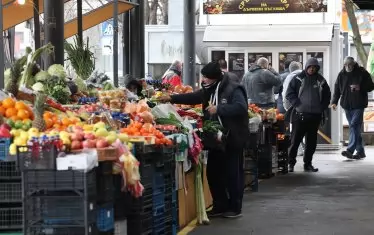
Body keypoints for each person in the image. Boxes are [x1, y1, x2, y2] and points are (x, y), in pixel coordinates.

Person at [159, 62, 249, 218]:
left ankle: (235, 207)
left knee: (232, 173)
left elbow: (241, 108)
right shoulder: (210, 88)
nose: (203, 80)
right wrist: (172, 98)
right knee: (213, 172)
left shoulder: (234, 88)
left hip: (233, 137)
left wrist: (219, 108)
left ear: (215, 78)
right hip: (216, 138)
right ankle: (220, 205)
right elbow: (196, 96)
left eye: (206, 78)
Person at [285, 57, 331, 172]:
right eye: (310, 67)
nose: (312, 69)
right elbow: (289, 93)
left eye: (314, 67)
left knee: (311, 142)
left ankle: (308, 164)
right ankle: (291, 163)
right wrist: (297, 104)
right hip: (299, 115)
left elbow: (327, 96)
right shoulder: (298, 79)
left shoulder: (321, 80)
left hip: (314, 116)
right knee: (295, 141)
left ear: (317, 68)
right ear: (306, 67)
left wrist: (322, 107)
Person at [331, 56, 374, 159]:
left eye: (350, 65)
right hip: (346, 105)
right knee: (355, 128)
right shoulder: (341, 74)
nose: (348, 66)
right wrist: (334, 102)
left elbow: (371, 86)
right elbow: (337, 88)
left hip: (359, 104)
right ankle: (360, 152)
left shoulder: (362, 73)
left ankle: (350, 150)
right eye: (346, 65)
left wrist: (360, 87)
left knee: (354, 125)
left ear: (354, 64)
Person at [282, 61, 305, 157]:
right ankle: (303, 147)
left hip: (292, 106)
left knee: (295, 128)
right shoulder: (305, 76)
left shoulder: (289, 77)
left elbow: (285, 94)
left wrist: (286, 107)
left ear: (290, 69)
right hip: (305, 107)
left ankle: (299, 148)